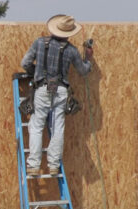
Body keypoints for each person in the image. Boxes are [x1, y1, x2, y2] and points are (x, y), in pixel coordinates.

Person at [21, 14, 93, 176]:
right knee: (58, 127)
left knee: (36, 126)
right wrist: (88, 58)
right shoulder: (72, 50)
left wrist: (36, 74)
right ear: (68, 33)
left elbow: (25, 63)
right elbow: (83, 71)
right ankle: (53, 165)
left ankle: (33, 165)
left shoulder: (40, 43)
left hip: (42, 88)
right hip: (61, 90)